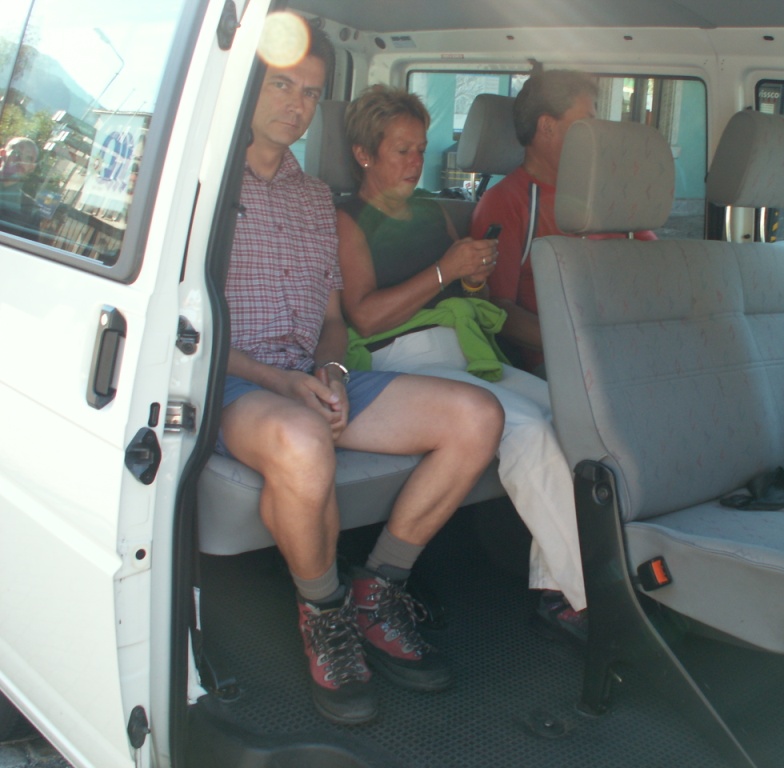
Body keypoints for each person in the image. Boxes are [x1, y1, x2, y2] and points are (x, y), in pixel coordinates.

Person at [219, 20, 504, 726]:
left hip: (309, 375)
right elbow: (185, 327)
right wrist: (286, 385)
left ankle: (378, 589)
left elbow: (333, 319)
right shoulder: (201, 189)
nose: (296, 104)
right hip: (233, 381)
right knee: (302, 439)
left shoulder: (314, 198)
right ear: (248, 86)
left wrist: (333, 371)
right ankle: (325, 615)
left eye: (310, 93)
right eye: (282, 85)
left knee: (478, 417)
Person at [335, 86, 589, 649]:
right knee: (526, 429)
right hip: (402, 363)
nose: (414, 162)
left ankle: (557, 590)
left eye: (420, 149)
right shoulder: (348, 219)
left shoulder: (432, 210)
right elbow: (365, 317)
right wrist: (445, 272)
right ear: (364, 154)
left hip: (466, 352)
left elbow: (463, 290)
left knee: (579, 418)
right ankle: (589, 598)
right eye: (401, 150)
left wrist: (472, 276)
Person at [470, 69, 657, 375]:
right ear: (547, 126)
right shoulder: (504, 203)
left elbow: (658, 271)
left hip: (634, 343)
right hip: (566, 364)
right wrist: (583, 344)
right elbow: (498, 309)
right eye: (586, 122)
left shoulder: (608, 195)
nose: (595, 133)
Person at [0, 136, 40, 239]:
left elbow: (27, 246)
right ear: (2, 154)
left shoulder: (29, 208)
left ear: (32, 167)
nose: (20, 161)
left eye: (28, 158)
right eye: (16, 153)